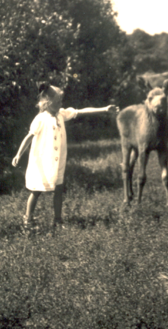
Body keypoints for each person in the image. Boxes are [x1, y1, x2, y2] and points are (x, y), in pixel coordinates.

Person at [12, 83, 117, 229]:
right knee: (36, 190)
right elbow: (29, 137)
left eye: (61, 101)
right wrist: (18, 154)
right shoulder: (40, 119)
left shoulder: (61, 114)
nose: (61, 104)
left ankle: (57, 220)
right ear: (48, 103)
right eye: (58, 102)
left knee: (59, 190)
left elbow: (81, 112)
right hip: (43, 161)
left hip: (58, 161)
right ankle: (27, 220)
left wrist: (104, 109)